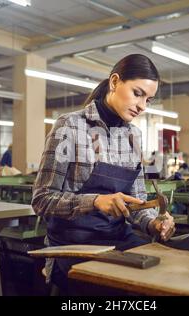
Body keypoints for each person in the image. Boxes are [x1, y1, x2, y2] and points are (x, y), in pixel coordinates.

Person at [32, 54, 175, 293]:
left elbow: (138, 203)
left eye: (148, 99)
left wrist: (153, 222)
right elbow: (42, 199)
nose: (142, 106)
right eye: (137, 93)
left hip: (117, 239)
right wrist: (95, 201)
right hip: (71, 245)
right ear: (115, 82)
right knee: (112, 290)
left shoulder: (134, 137)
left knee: (165, 278)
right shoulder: (70, 127)